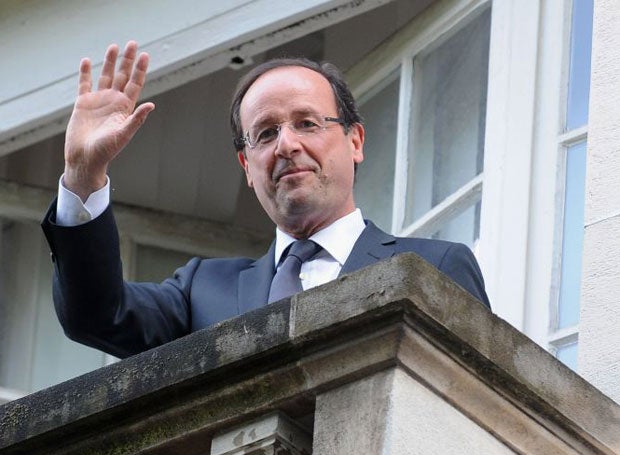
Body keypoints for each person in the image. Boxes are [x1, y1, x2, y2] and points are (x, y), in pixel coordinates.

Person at [42, 41, 490, 358]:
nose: (287, 145)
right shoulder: (203, 290)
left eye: (308, 124)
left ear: (355, 140)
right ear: (247, 167)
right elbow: (98, 315)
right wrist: (83, 176)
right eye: (266, 133)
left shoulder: (436, 267)